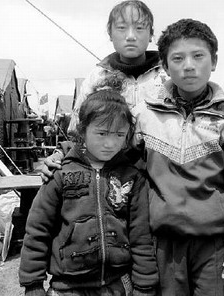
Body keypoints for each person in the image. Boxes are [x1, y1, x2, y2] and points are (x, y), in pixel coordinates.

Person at [130, 18, 224, 295]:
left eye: (198, 56)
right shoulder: (145, 115)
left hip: (212, 245)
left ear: (213, 61)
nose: (188, 65)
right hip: (162, 243)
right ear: (165, 66)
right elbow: (119, 159)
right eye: (177, 58)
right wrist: (66, 158)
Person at [19, 90, 158, 296]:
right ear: (83, 131)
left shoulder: (132, 177)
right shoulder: (60, 174)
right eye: (101, 133)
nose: (110, 143)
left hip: (117, 285)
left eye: (119, 135)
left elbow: (141, 236)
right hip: (67, 287)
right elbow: (37, 230)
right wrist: (33, 285)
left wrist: (144, 286)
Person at [41, 0, 167, 181]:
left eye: (139, 28)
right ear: (110, 33)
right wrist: (59, 154)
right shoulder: (97, 78)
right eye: (122, 28)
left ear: (151, 34)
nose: (131, 36)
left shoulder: (167, 75)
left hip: (160, 175)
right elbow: (78, 133)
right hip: (111, 177)